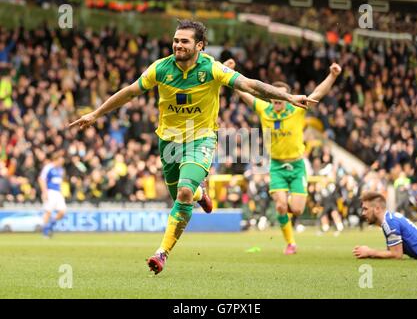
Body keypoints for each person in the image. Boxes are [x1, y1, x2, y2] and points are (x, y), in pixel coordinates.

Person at [69, 19, 317, 274]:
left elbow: (250, 85)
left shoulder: (212, 68)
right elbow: (131, 91)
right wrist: (96, 114)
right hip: (168, 141)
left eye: (184, 41)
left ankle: (161, 253)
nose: (178, 45)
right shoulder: (160, 68)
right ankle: (201, 194)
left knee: (183, 192)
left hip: (201, 139)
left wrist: (287, 97)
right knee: (183, 194)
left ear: (199, 45)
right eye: (176, 40)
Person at [226, 59, 341, 254]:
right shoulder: (264, 109)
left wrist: (333, 75)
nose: (277, 100)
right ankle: (291, 243)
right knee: (280, 205)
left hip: (297, 166)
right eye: (274, 96)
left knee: (296, 209)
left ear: (286, 97)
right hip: (277, 166)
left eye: (281, 97)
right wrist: (229, 73)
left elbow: (317, 94)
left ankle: (287, 213)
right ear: (271, 97)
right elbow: (243, 91)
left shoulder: (296, 110)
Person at [353, 192, 417, 259]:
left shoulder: (390, 222)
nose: (363, 213)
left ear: (377, 209)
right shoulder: (390, 219)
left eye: (365, 209)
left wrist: (369, 252)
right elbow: (391, 252)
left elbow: (397, 255)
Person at [38, 151, 67, 238]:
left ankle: (50, 225)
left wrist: (61, 192)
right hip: (50, 192)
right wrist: (44, 191)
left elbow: (59, 182)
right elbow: (41, 179)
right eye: (61, 160)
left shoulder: (61, 170)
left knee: (63, 211)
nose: (62, 162)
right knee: (48, 211)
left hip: (58, 193)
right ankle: (45, 232)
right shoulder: (48, 167)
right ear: (56, 159)